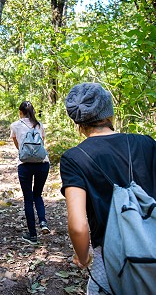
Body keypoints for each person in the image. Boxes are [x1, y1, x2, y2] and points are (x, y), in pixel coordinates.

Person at [60, 82, 156, 294]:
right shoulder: (146, 144)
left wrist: (83, 256)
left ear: (78, 122)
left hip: (111, 257)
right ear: (109, 113)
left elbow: (78, 226)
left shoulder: (73, 159)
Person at [10, 101, 50, 245]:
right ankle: (43, 222)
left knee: (28, 199)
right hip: (43, 163)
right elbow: (42, 143)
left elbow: (17, 145)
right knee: (38, 195)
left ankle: (32, 235)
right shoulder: (39, 125)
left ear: (20, 112)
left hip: (25, 164)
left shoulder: (15, 125)